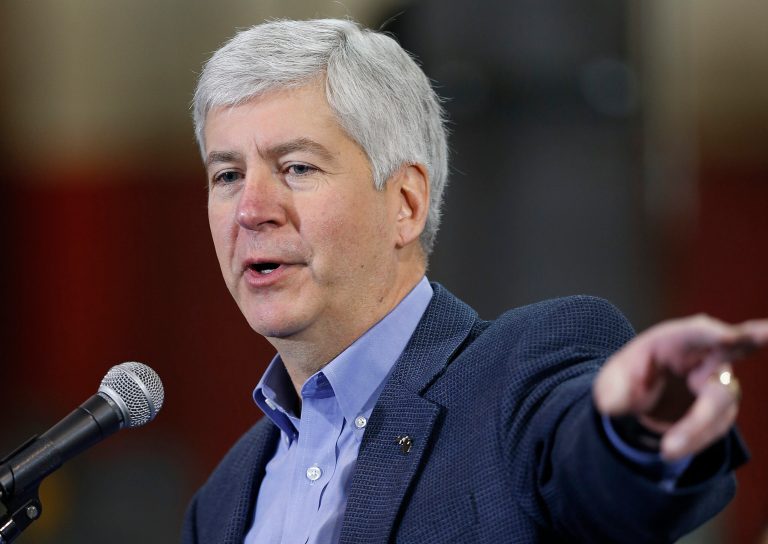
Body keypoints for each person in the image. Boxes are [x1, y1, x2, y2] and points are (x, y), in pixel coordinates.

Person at [182, 18, 767, 543]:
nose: (250, 209)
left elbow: (593, 468)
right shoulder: (221, 501)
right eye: (227, 175)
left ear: (406, 204)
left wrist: (633, 431)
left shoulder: (517, 377)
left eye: (297, 167)